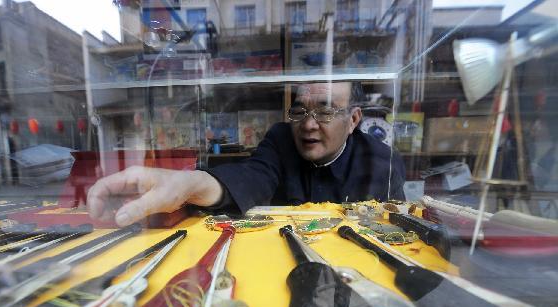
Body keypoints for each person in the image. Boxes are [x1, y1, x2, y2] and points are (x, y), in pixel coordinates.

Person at [87, 82, 405, 226]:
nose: (308, 125)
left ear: (353, 120)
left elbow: (395, 232)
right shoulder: (282, 139)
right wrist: (187, 184)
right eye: (299, 111)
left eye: (324, 112)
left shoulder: (381, 162)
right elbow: (252, 177)